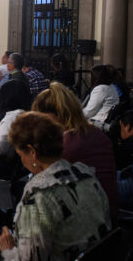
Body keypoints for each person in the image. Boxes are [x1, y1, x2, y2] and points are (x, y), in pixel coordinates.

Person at [0, 112, 110, 261]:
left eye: (20, 154)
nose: (21, 160)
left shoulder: (39, 197)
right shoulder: (87, 176)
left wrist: (7, 250)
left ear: (32, 152)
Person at [32, 82, 118, 222]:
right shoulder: (95, 133)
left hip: (87, 226)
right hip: (107, 214)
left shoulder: (66, 147)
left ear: (57, 116)